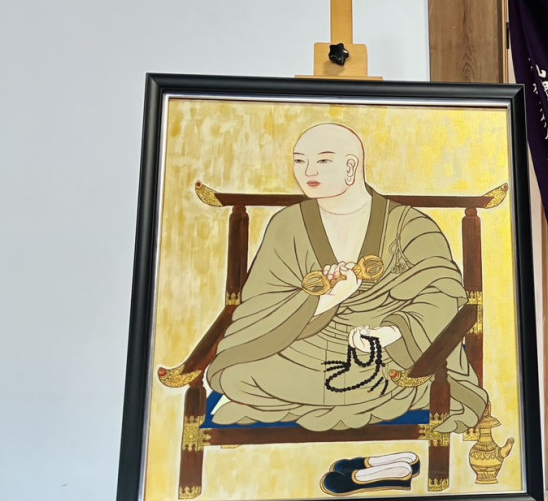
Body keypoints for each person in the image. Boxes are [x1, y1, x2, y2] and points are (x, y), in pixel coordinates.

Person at [205, 123, 487, 435]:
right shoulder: (286, 224)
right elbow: (260, 305)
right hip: (303, 349)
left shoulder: (408, 224)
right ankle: (353, 400)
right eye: (299, 161)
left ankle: (326, 399)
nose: (308, 171)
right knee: (237, 375)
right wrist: (326, 300)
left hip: (381, 355)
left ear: (351, 167)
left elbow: (442, 294)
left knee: (412, 375)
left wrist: (390, 332)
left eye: (323, 160)